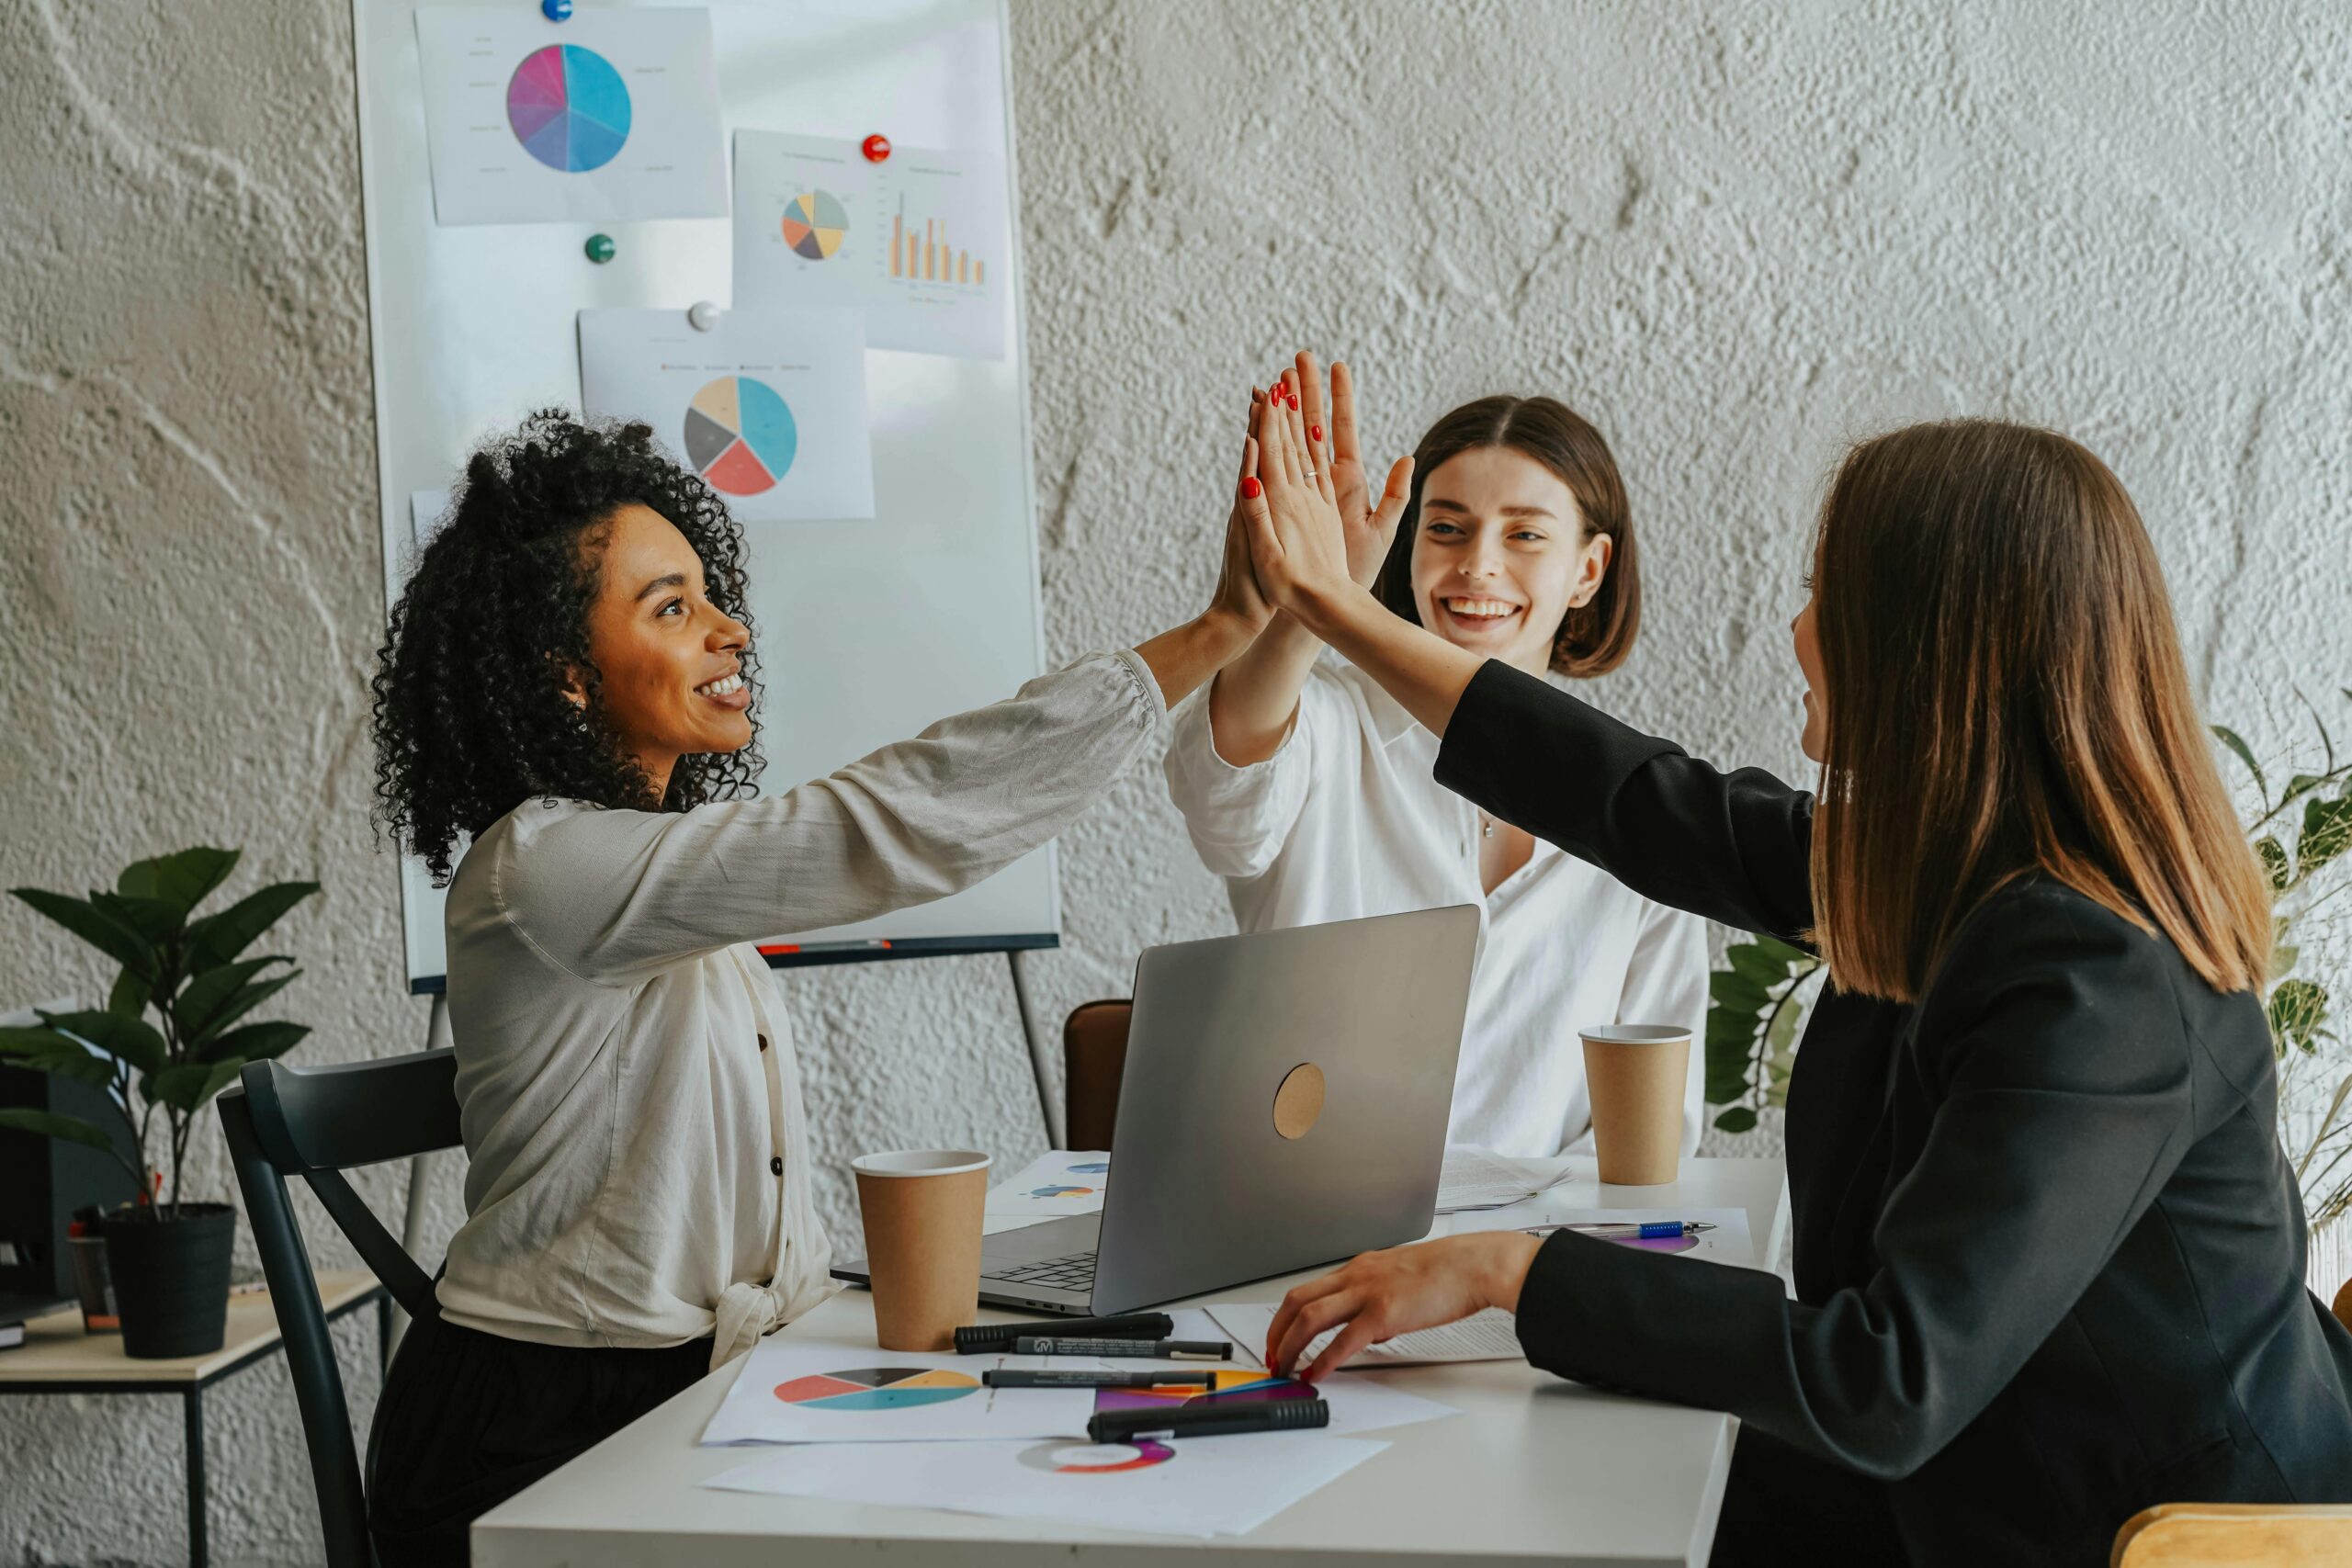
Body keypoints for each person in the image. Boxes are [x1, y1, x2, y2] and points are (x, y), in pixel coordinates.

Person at [1231, 389, 2352, 1566]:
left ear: (1929, 646)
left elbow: (1882, 1379)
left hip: (2138, 1532)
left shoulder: (2096, 972)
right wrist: (1331, 610)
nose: (1799, 629)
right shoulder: (1947, 869)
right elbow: (1633, 800)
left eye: (1829, 594)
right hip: (1982, 1466)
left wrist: (1510, 1270)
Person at [362, 410, 1272, 1563]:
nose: (729, 630)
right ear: (565, 679)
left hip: (686, 1392)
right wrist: (1219, 632)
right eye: (672, 609)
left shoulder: (651, 870)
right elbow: (877, 830)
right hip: (542, 1432)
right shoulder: (545, 867)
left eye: (709, 594)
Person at [1163, 357, 1706, 1157]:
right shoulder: (1326, 723)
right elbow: (1222, 800)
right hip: (1303, 1244)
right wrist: (1317, 597)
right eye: (1446, 527)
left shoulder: (1644, 804)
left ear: (1588, 570)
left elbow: (1652, 1132)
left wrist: (1519, 1267)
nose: (1478, 564)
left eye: (1524, 534)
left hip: (1528, 1262)